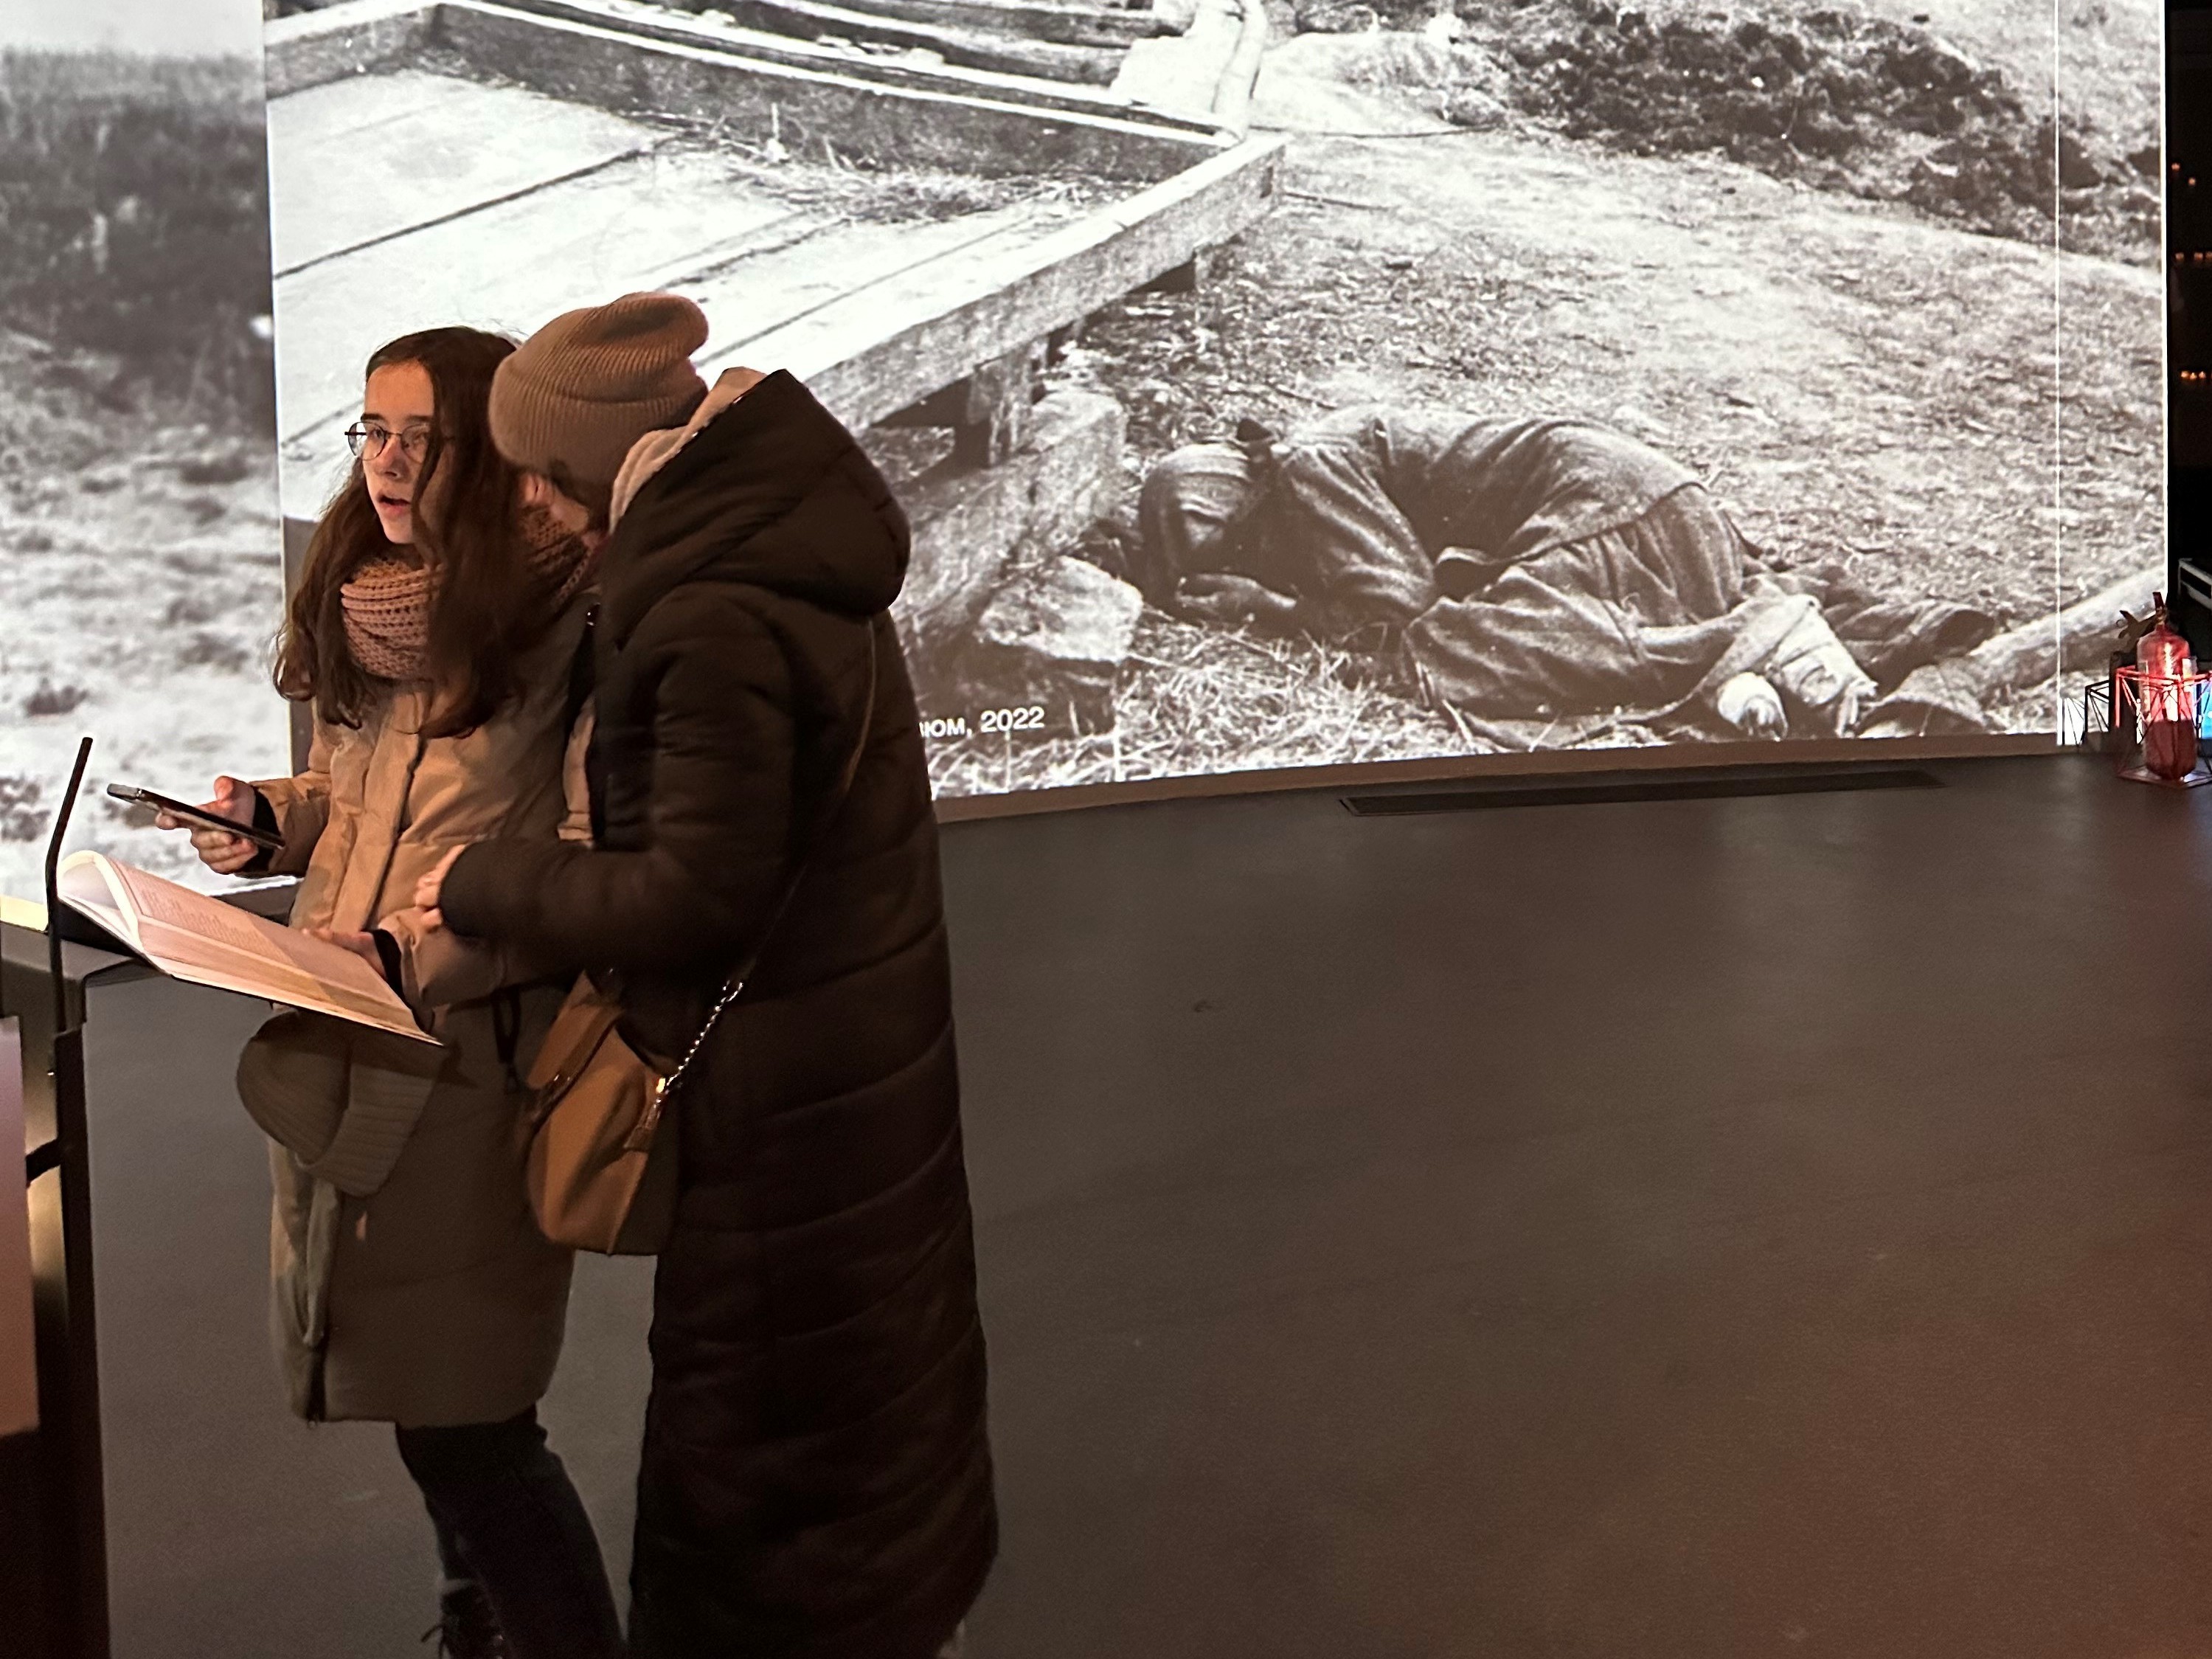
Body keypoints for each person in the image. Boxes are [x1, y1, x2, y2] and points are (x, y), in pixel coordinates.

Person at [416, 294, 996, 1659]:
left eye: (544, 484)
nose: (537, 513)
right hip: (851, 1055)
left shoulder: (711, 611)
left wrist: (480, 880)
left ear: (604, 465)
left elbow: (690, 890)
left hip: (776, 1103)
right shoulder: (779, 546)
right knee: (874, 1392)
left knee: (770, 1446)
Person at [159, 327, 622, 1659]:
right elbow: (355, 802)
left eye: (424, 435)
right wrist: (269, 823)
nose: (389, 461)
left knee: (471, 1417)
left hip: (467, 1064)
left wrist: (424, 955)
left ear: (494, 454)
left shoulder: (565, 625)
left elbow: (583, 874)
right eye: (371, 429)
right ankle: (478, 1621)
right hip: (341, 1030)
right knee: (434, 1397)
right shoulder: (368, 593)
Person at [1134, 408, 1996, 747]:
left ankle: (1756, 644)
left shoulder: (1305, 470)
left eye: (1236, 548)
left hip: (1614, 518)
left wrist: (1275, 611)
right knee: (1556, 634)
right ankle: (1747, 665)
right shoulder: (1328, 453)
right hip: (1656, 508)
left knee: (1445, 660)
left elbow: (1405, 610)